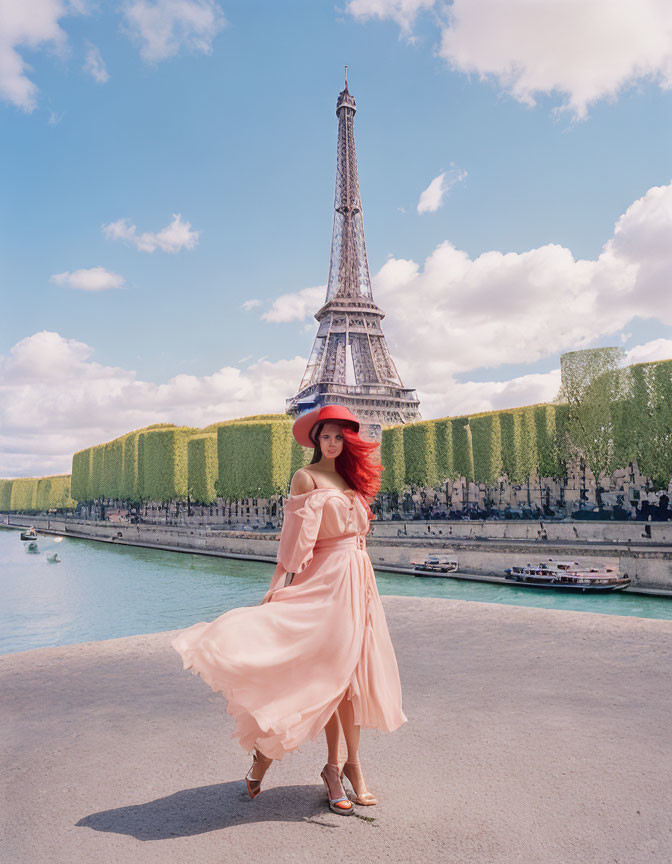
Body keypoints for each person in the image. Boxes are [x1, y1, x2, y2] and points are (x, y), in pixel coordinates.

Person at [171, 404, 406, 815]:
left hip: (357, 581)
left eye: (339, 436)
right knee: (326, 678)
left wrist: (366, 586)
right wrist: (280, 583)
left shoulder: (351, 477)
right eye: (326, 436)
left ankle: (346, 766)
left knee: (349, 679)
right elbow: (295, 539)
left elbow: (360, 538)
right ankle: (287, 761)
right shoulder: (306, 477)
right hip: (326, 582)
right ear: (315, 439)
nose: (332, 443)